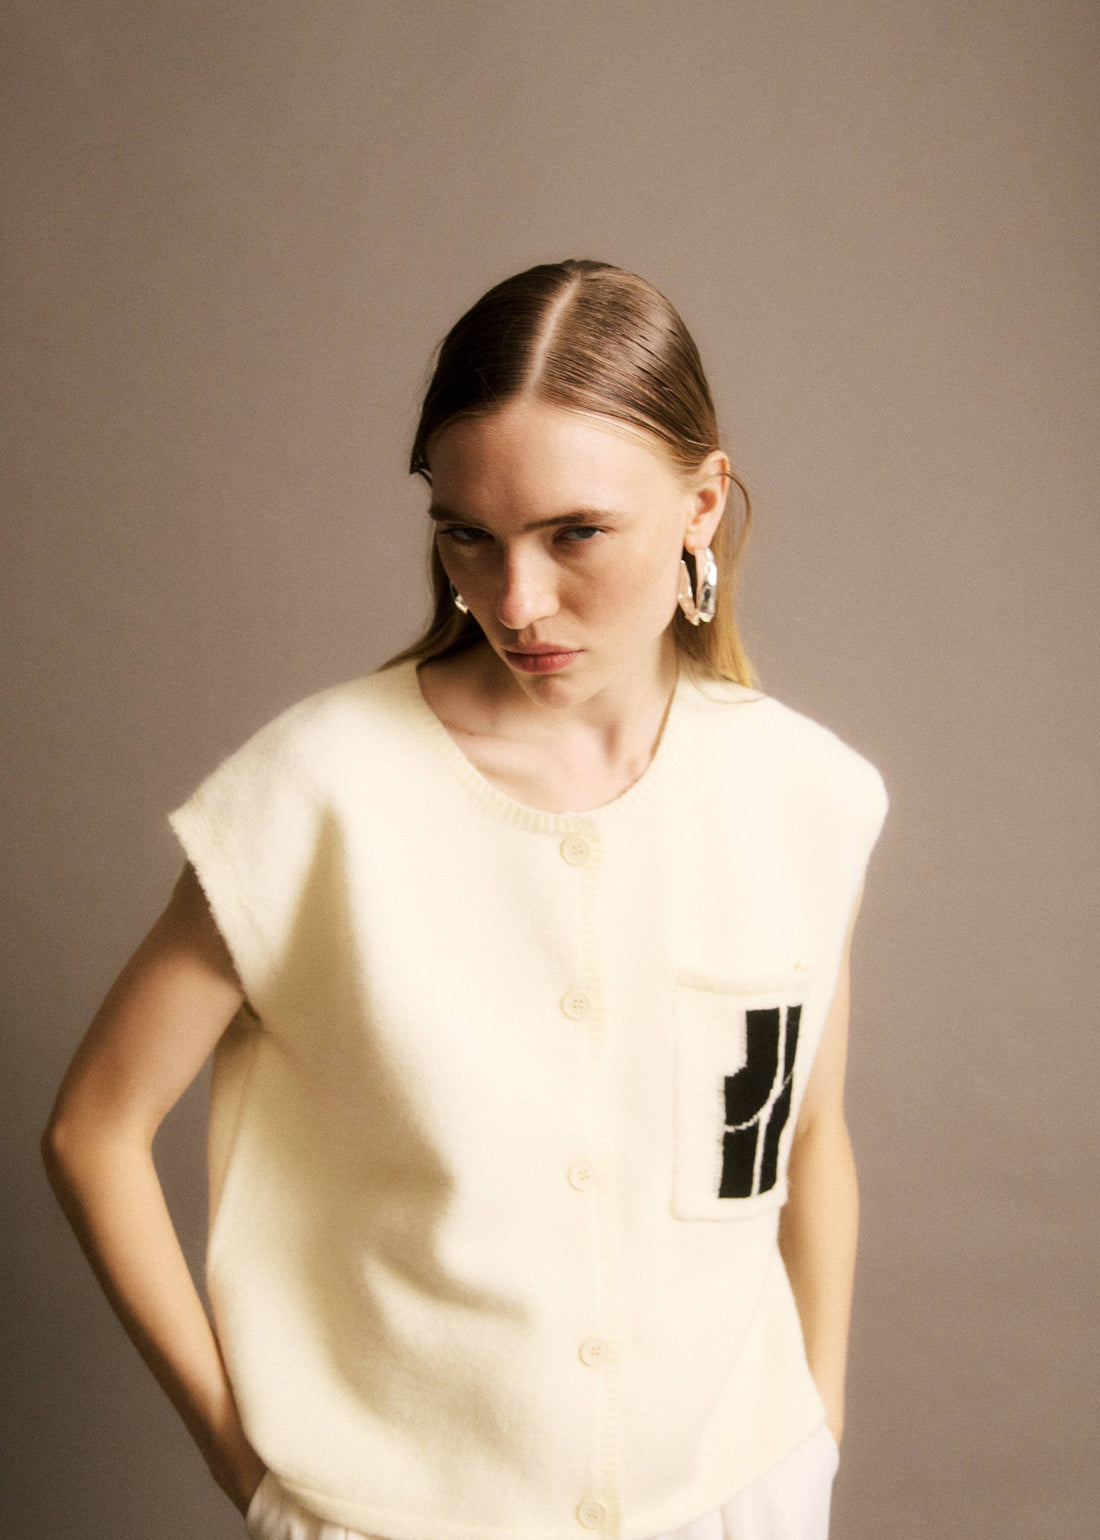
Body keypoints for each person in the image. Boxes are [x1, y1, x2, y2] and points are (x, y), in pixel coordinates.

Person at [42, 259, 888, 1540]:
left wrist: (812, 1434)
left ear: (701, 503)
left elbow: (806, 1139)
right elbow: (93, 1129)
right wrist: (250, 1473)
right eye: (466, 536)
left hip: (739, 1500)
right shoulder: (318, 791)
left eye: (574, 533)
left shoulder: (804, 792)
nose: (514, 601)